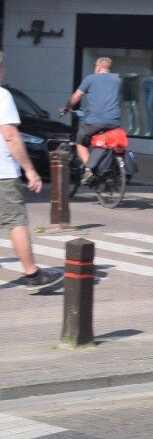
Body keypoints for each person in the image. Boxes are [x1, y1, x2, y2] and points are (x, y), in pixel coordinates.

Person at [2, 52, 63, 290]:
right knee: (15, 221)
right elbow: (10, 135)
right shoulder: (2, 96)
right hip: (2, 173)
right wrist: (30, 169)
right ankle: (32, 274)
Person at [61, 56, 123, 168]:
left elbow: (76, 96)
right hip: (114, 123)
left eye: (95, 65)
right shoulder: (118, 81)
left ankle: (90, 169)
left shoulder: (90, 78)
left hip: (96, 121)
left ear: (98, 67)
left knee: (80, 141)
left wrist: (67, 108)